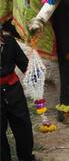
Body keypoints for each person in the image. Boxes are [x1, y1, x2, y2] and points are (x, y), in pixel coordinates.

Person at [1, 23, 36, 161]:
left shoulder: (9, 42)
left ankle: (26, 157)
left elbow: (25, 65)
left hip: (13, 91)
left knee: (24, 128)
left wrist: (35, 77)